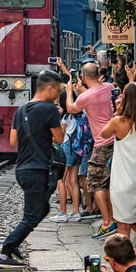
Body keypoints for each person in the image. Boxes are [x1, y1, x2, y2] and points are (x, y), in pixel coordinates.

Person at [0, 70, 64, 268]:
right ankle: (5, 252)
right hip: (37, 169)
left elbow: (12, 140)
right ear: (49, 88)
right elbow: (59, 138)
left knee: (42, 209)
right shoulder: (50, 110)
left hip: (22, 169)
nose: (57, 95)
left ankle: (14, 244)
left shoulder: (21, 110)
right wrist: (58, 121)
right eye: (57, 90)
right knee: (33, 215)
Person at [100, 83, 136, 256]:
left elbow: (103, 134)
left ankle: (124, 260)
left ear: (124, 98)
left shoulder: (118, 121)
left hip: (122, 181)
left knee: (123, 225)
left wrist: (117, 111)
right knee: (134, 221)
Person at [66, 63, 117, 238]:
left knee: (96, 183)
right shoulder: (110, 87)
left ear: (84, 76)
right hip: (116, 141)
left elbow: (71, 108)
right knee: (109, 181)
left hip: (102, 143)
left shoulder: (86, 95)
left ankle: (106, 222)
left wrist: (68, 92)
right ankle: (114, 218)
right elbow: (93, 101)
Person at [50, 88, 81, 223]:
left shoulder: (64, 118)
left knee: (61, 181)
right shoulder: (78, 115)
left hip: (66, 149)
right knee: (73, 182)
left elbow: (59, 138)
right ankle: (76, 212)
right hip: (77, 149)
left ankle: (63, 212)